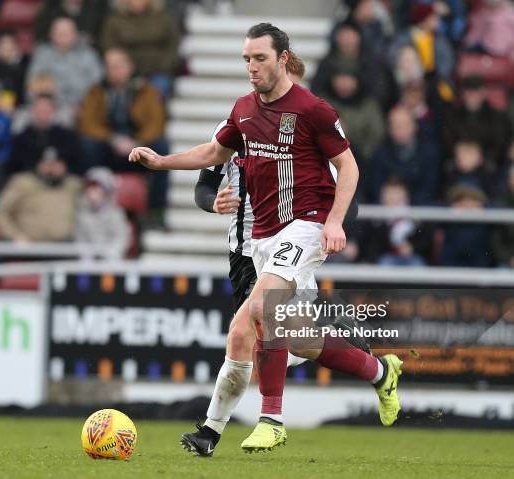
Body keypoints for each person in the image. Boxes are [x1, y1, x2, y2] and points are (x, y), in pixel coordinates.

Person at [130, 23, 403, 454]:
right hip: (263, 238)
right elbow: (213, 154)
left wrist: (334, 222)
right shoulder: (243, 110)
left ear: (282, 58)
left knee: (261, 308)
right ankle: (379, 371)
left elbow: (348, 168)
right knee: (268, 336)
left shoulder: (314, 109)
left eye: (259, 58)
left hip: (307, 225)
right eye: (246, 59)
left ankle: (270, 419)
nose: (252, 67)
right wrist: (161, 161)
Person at [77, 47, 169, 223]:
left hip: (138, 148)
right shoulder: (96, 92)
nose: (114, 71)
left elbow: (157, 123)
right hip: (108, 147)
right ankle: (91, 201)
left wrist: (137, 142)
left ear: (130, 67)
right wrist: (112, 139)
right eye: (110, 67)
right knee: (87, 145)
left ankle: (156, 211)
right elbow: (88, 123)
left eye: (119, 66)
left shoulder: (147, 91)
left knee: (161, 148)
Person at [0, 147, 82, 243]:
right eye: (47, 164)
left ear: (64, 166)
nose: (51, 169)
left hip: (65, 247)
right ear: (39, 165)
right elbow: (1, 212)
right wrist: (14, 235)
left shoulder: (73, 185)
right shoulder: (23, 183)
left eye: (56, 164)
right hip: (30, 248)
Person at [100, 0, 180, 96]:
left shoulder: (164, 18)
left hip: (158, 72)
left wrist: (164, 66)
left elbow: (172, 45)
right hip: (124, 73)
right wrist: (121, 67)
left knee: (155, 91)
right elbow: (109, 47)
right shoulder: (115, 20)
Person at [369, 105, 440, 205]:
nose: (400, 130)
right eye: (396, 126)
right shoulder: (380, 153)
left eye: (404, 125)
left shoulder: (429, 152)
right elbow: (375, 186)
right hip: (386, 208)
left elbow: (429, 187)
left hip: (418, 209)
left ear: (415, 126)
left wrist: (406, 202)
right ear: (389, 129)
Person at [27, 16, 102, 110]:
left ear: (75, 34)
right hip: (50, 109)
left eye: (67, 33)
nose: (62, 36)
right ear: (51, 35)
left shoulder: (89, 54)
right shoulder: (42, 54)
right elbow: (33, 84)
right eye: (59, 33)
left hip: (83, 107)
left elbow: (96, 85)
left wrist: (81, 104)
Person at [8, 93, 81, 175]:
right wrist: (36, 167)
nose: (43, 111)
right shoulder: (22, 137)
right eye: (40, 108)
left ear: (54, 110)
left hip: (63, 179)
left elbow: (77, 161)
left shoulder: (67, 135)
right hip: (31, 179)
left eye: (47, 108)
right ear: (32, 110)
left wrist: (63, 166)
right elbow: (14, 165)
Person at [75, 167, 130, 259]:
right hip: (88, 262)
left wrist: (110, 253)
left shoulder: (116, 213)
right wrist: (87, 254)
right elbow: (80, 238)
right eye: (90, 187)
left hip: (111, 261)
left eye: (96, 187)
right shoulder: (82, 213)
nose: (92, 191)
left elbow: (121, 238)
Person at [35, 0, 107, 46]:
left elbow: (100, 36)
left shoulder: (96, 8)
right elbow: (41, 36)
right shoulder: (49, 9)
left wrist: (91, 40)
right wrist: (59, 38)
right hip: (54, 51)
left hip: (86, 51)